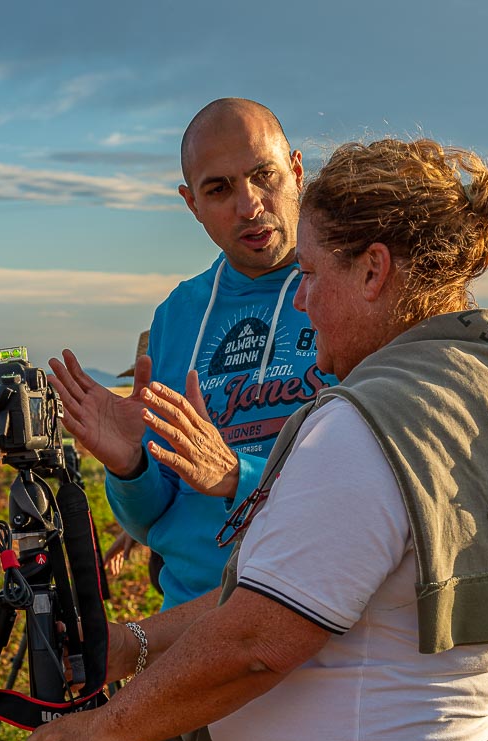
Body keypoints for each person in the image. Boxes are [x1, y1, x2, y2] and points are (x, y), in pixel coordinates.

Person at [28, 137, 488, 741]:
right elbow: (301, 584)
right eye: (217, 189)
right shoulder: (483, 384)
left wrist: (94, 734)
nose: (299, 298)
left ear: (373, 271)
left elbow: (256, 642)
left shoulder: (371, 422)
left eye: (313, 275)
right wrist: (134, 643)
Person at [49, 98, 335, 615]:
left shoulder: (347, 290)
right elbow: (155, 520)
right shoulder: (177, 315)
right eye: (218, 189)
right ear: (191, 203)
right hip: (189, 619)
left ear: (296, 171)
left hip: (317, 616)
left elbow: (378, 480)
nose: (248, 206)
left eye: (263, 175)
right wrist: (129, 464)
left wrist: (236, 474)